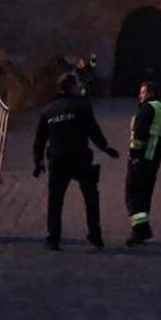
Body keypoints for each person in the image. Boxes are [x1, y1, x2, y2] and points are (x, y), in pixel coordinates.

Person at [33, 72, 118, 250]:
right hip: (80, 158)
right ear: (72, 86)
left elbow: (40, 139)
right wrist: (106, 148)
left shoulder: (49, 110)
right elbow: (93, 131)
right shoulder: (82, 106)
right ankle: (95, 234)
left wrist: (37, 162)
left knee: (55, 201)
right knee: (91, 197)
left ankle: (53, 238)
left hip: (57, 160)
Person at [124, 80, 161, 245]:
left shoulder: (147, 109)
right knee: (144, 194)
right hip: (153, 160)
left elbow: (139, 134)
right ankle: (140, 230)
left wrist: (134, 154)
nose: (140, 95)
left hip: (142, 159)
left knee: (132, 194)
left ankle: (140, 231)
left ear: (150, 94)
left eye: (143, 92)